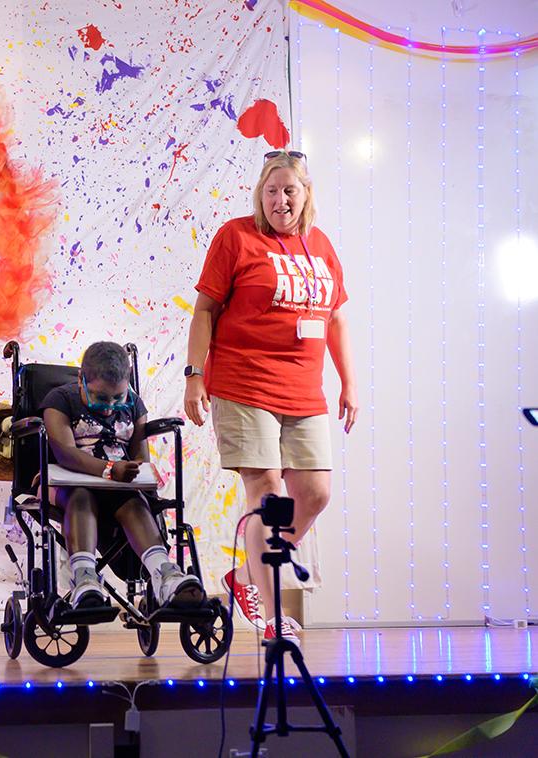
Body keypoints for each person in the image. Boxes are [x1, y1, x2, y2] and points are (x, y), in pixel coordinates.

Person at [183, 150, 358, 646]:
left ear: (306, 194)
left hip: (303, 392)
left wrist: (349, 382)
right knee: (268, 495)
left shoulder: (319, 244)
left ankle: (246, 578)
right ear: (261, 194)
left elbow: (336, 318)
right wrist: (195, 375)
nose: (281, 199)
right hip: (244, 385)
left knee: (316, 494)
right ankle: (270, 611)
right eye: (272, 190)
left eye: (290, 190)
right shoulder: (236, 236)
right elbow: (204, 311)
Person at [41, 341, 205, 610]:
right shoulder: (60, 400)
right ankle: (84, 579)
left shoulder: (134, 404)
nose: (109, 407)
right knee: (81, 496)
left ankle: (165, 574)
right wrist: (109, 470)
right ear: (81, 379)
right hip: (66, 484)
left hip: (115, 489)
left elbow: (140, 457)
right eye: (100, 398)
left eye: (118, 398)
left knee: (133, 503)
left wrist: (134, 475)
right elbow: (65, 453)